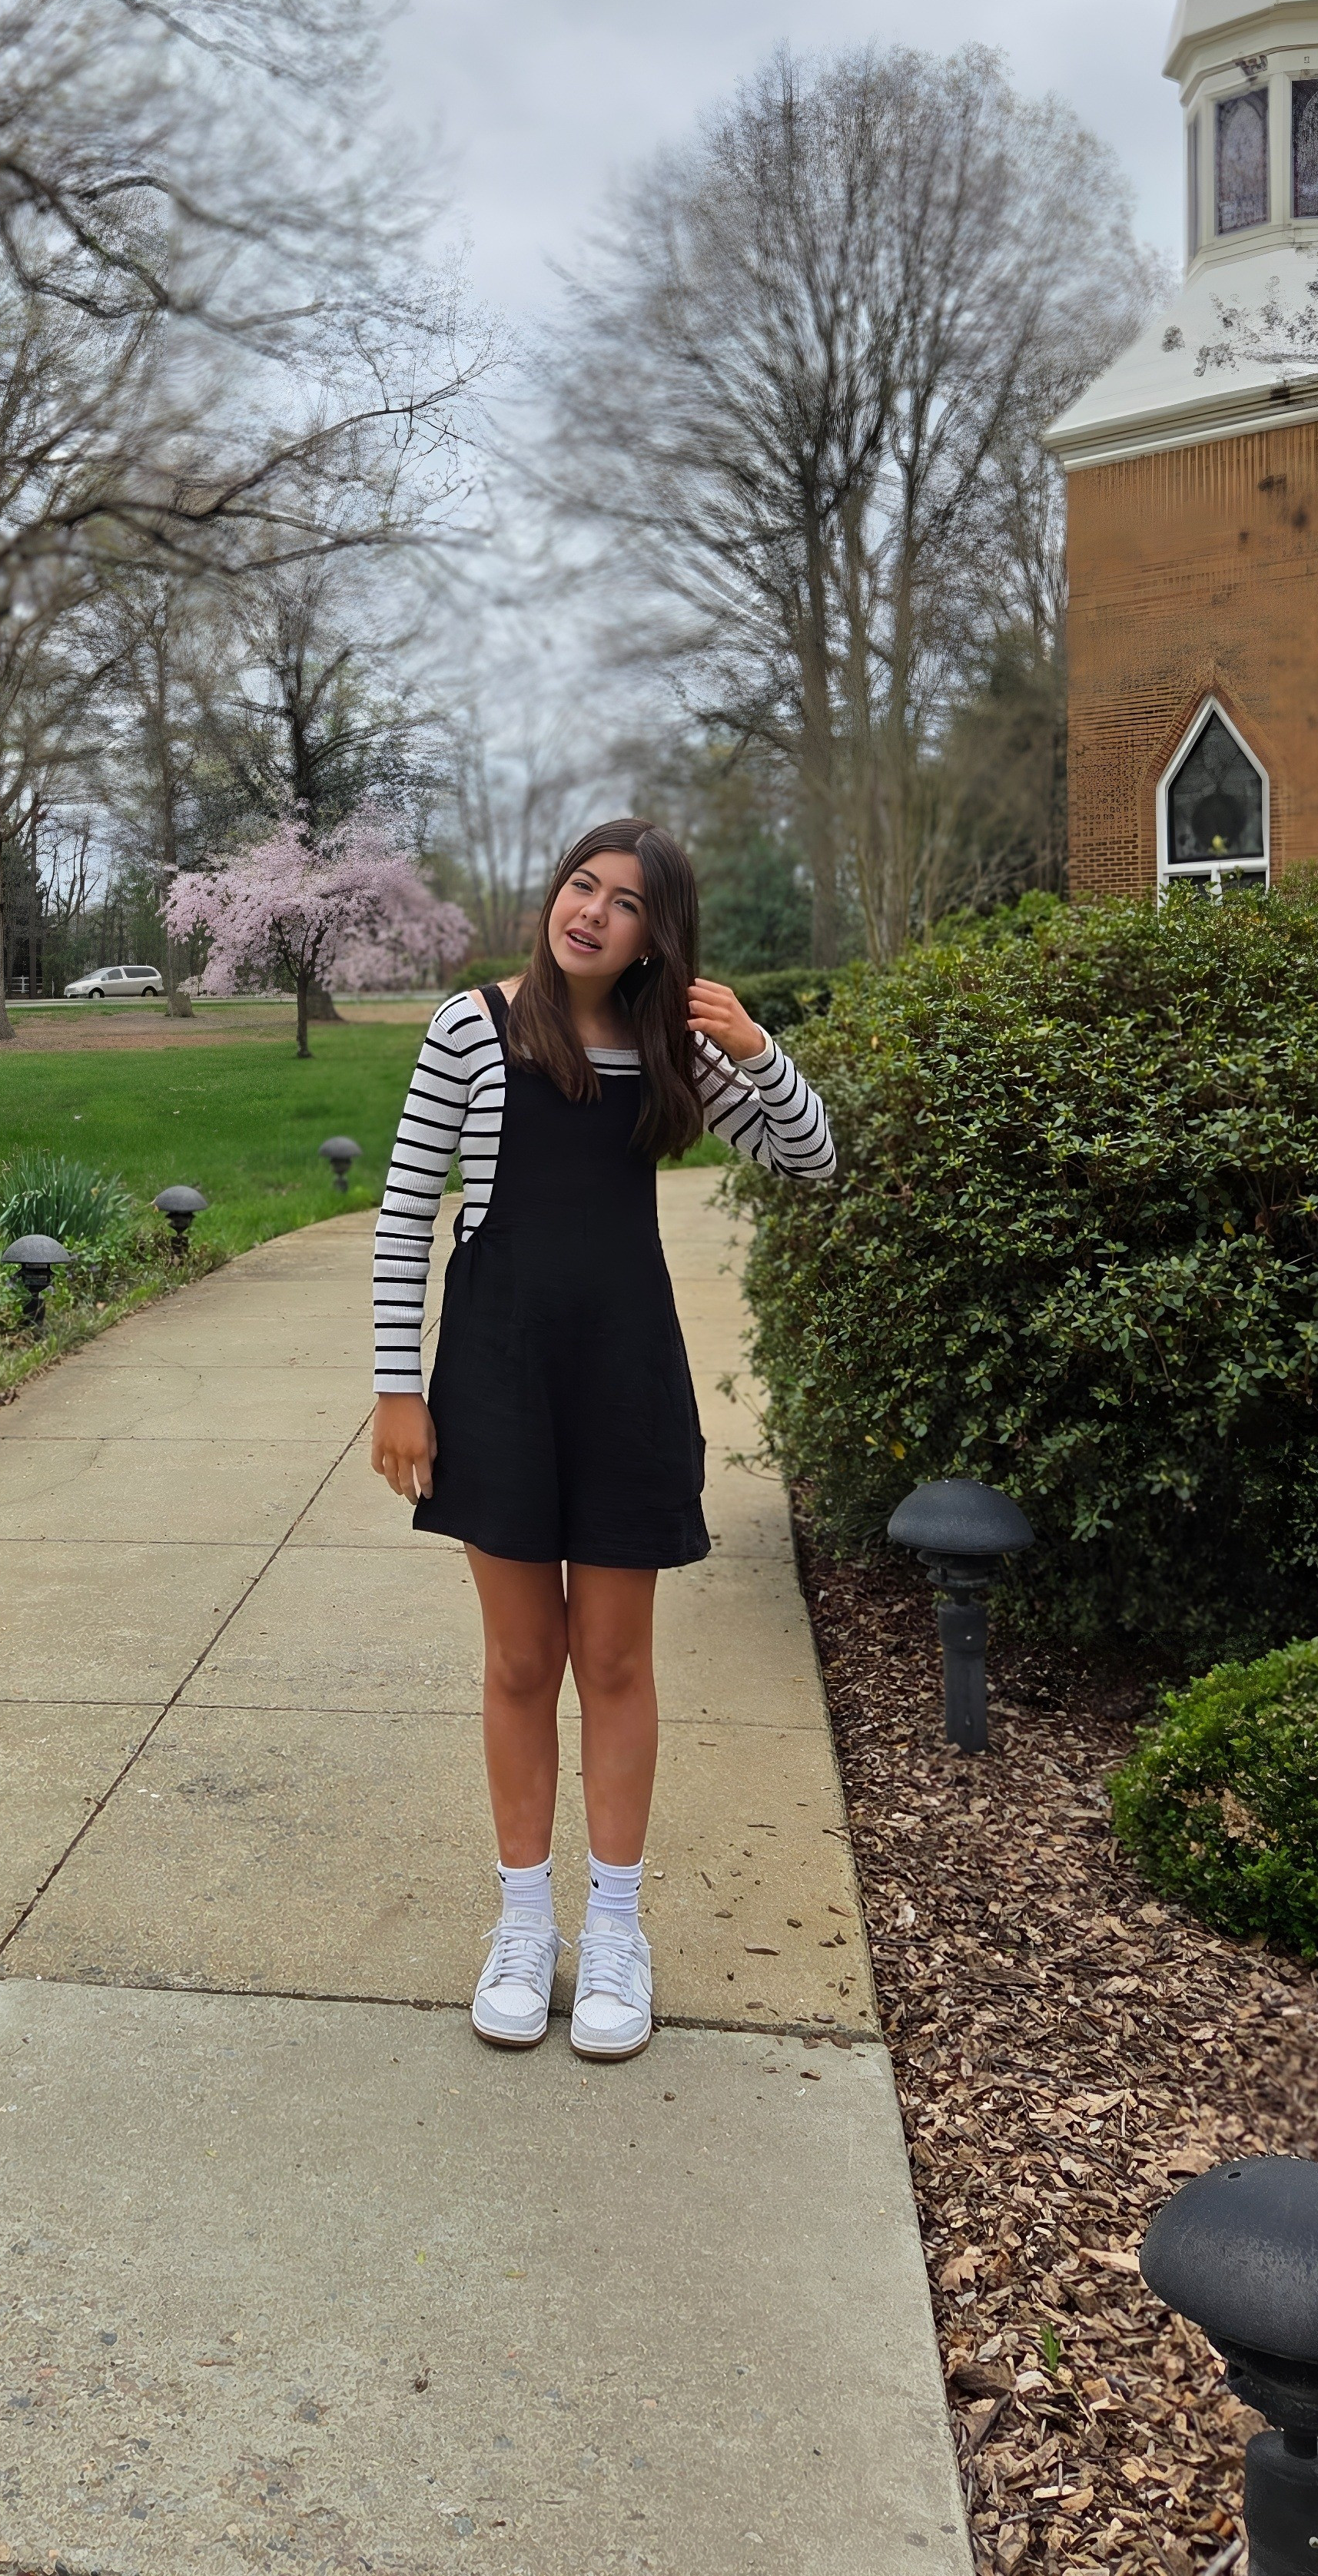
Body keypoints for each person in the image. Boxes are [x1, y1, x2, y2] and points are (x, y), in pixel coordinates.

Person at [369, 819, 835, 2059]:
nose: (592, 912)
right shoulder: (474, 1027)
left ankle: (616, 1926)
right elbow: (407, 1210)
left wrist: (758, 1050)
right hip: (499, 1380)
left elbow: (811, 1159)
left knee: (616, 1662)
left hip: (625, 1382)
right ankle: (526, 1922)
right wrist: (397, 1389)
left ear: (655, 935)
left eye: (625, 903)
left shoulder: (673, 1047)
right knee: (522, 1661)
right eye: (583, 885)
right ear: (556, 893)